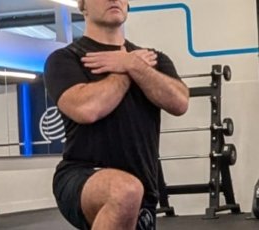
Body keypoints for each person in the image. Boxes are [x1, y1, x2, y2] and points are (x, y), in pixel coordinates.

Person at [43, 0, 189, 229]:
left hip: (143, 188)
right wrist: (126, 69)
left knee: (131, 191)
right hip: (81, 175)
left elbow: (179, 102)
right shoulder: (65, 59)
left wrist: (134, 64)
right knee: (124, 190)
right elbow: (86, 109)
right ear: (83, 5)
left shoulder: (151, 60)